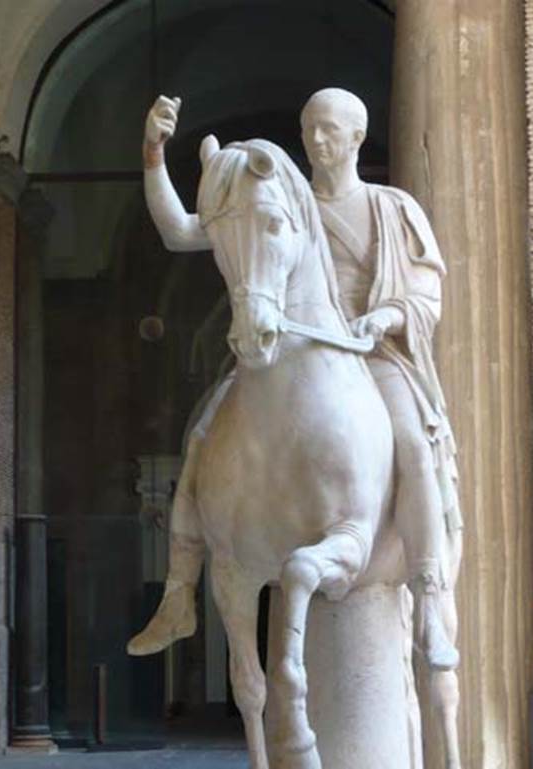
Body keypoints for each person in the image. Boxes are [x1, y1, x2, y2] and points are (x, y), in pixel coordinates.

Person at [129, 88, 462, 670]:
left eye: (330, 128)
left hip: (372, 354)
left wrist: (384, 316)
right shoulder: (280, 200)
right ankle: (179, 590)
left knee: (410, 439)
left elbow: (425, 294)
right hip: (286, 354)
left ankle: (430, 592)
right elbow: (181, 230)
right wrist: (155, 154)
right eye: (309, 128)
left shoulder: (391, 206)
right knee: (204, 433)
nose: (316, 139)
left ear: (357, 136)